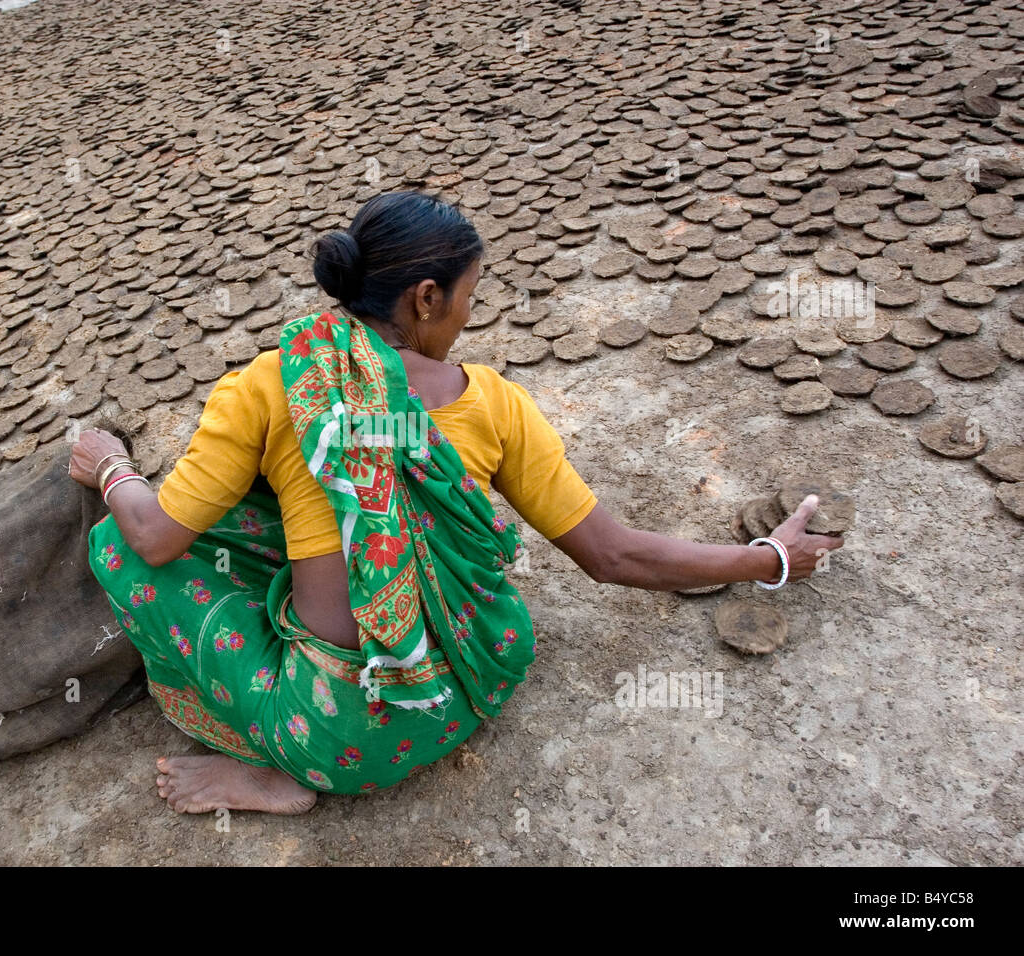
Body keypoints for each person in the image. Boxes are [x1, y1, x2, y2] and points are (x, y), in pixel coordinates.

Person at [69, 190, 843, 815]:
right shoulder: (495, 403)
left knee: (118, 540)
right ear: (427, 298)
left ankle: (277, 771)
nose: (475, 313)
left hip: (339, 733)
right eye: (473, 295)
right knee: (289, 511)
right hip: (476, 678)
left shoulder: (272, 383)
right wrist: (768, 559)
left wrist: (111, 467)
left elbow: (157, 538)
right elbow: (613, 555)